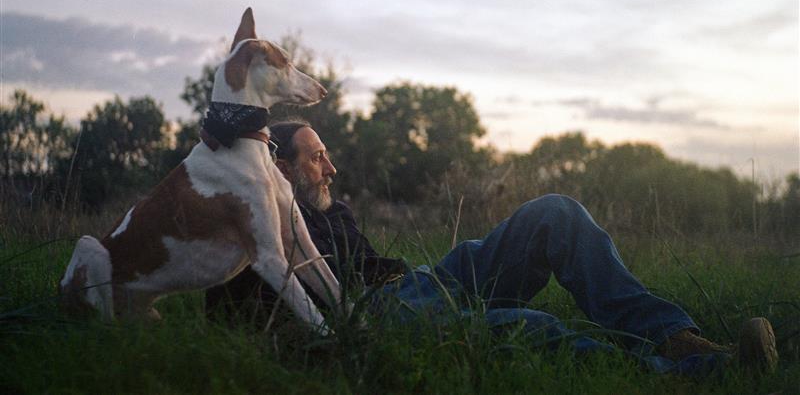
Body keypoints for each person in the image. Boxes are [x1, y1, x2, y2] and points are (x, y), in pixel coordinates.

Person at [205, 119, 778, 375]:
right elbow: (232, 305)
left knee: (556, 211)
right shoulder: (257, 228)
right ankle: (698, 372)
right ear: (278, 166)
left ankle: (673, 335)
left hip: (421, 283)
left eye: (326, 153)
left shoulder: (334, 209)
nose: (331, 166)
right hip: (378, 317)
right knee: (526, 324)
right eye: (315, 157)